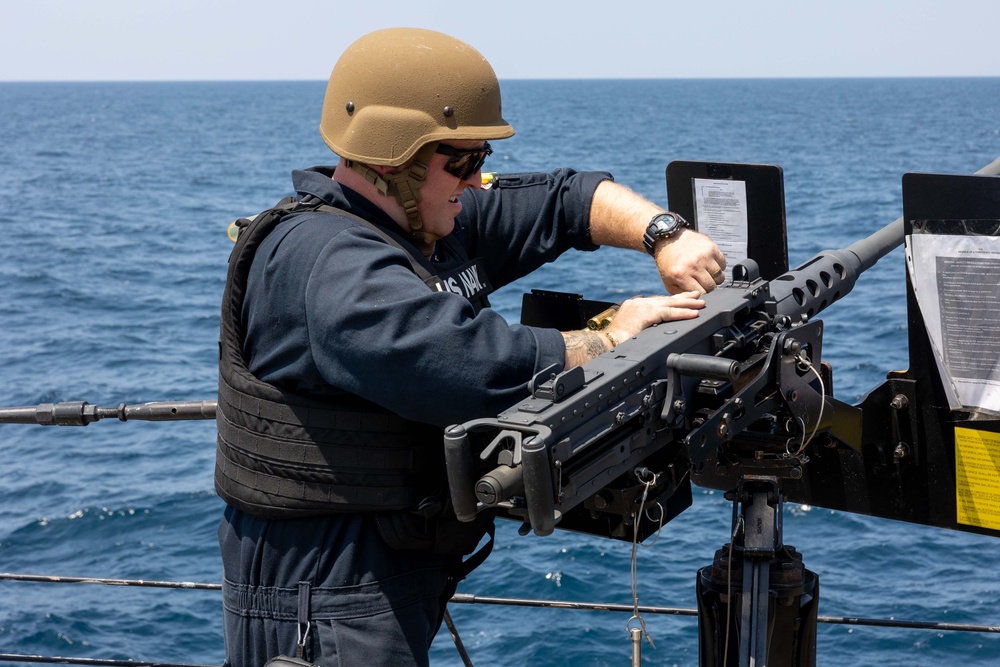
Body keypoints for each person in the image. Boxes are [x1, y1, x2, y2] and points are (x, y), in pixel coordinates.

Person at [215, 27, 726, 667]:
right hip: (322, 592)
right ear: (392, 158)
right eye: (459, 161)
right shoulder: (328, 264)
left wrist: (663, 233)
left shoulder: (428, 221)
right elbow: (463, 362)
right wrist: (610, 336)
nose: (477, 177)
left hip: (390, 565)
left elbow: (564, 199)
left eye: (479, 156)